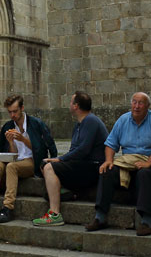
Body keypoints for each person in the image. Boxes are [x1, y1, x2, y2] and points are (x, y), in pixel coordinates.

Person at [84, 92, 151, 235]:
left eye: (141, 103)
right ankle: (100, 216)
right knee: (107, 170)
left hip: (149, 162)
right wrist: (109, 160)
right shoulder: (123, 119)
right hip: (128, 163)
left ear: (147, 106)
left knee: (144, 173)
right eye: (134, 102)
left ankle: (146, 220)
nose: (136, 106)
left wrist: (149, 162)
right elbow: (110, 144)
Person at [0, 94, 58, 224]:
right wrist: (11, 143)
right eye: (10, 112)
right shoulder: (8, 126)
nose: (12, 115)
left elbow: (43, 147)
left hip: (32, 161)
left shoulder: (35, 123)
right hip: (15, 159)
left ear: (22, 108)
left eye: (15, 111)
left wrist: (23, 139)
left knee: (12, 167)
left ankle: (8, 207)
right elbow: (5, 153)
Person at [32, 91, 108, 227]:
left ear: (76, 106)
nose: (69, 104)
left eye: (71, 102)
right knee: (44, 163)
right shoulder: (78, 125)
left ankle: (54, 214)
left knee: (50, 167)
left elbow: (83, 150)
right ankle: (64, 191)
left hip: (93, 166)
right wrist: (61, 159)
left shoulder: (91, 120)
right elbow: (74, 150)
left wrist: (61, 159)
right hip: (81, 165)